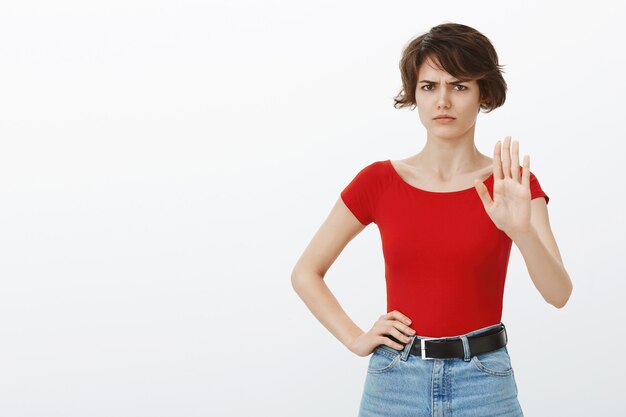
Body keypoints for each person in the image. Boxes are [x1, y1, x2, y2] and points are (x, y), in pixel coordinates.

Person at [290, 22, 572, 416]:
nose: (443, 101)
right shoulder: (378, 181)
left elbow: (558, 293)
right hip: (395, 381)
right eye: (429, 86)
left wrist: (521, 231)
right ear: (415, 95)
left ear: (483, 94)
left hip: (484, 382)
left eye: (459, 86)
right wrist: (355, 338)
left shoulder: (512, 185)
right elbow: (305, 272)